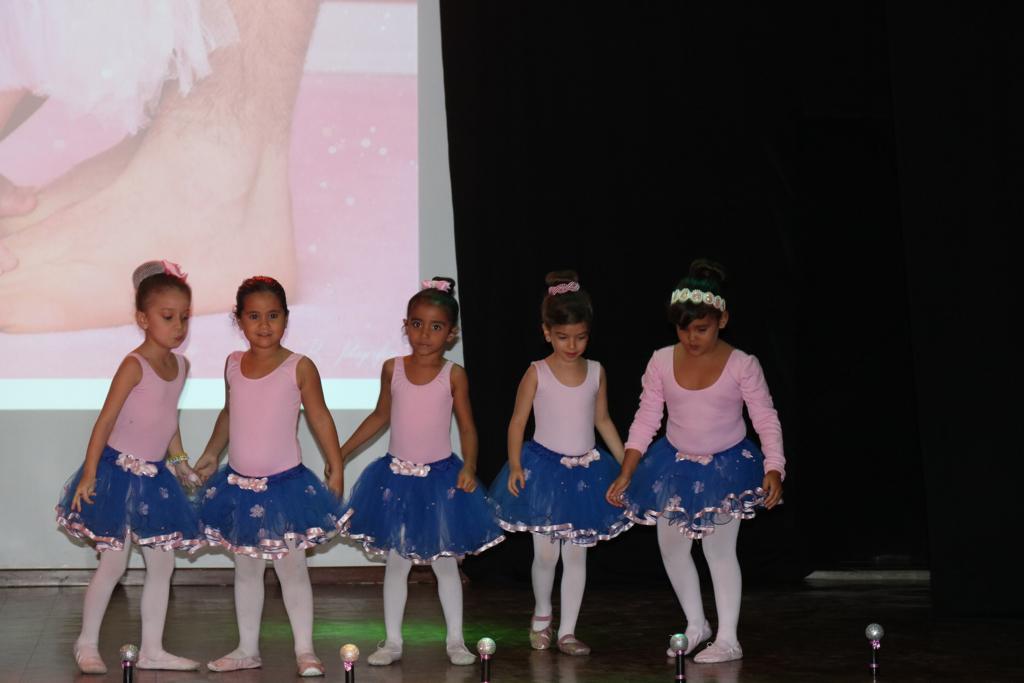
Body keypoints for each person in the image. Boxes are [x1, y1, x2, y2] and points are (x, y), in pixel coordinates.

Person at [606, 259, 785, 664]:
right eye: (683, 329)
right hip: (674, 465)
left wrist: (774, 467)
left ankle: (728, 638)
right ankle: (696, 623)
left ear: (723, 320)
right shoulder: (660, 361)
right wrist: (628, 469)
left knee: (719, 551)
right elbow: (646, 418)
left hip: (726, 469)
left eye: (701, 328)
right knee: (671, 548)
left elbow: (766, 419)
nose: (691, 337)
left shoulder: (742, 365)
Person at [339, 277, 504, 667]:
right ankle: (392, 642)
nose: (424, 334)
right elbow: (380, 416)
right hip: (395, 479)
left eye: (435, 326)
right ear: (405, 325)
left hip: (440, 481)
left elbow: (467, 427)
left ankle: (455, 641)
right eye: (417, 324)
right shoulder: (392, 369)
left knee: (445, 563)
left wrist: (470, 465)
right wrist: (341, 452)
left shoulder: (453, 374)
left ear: (451, 333)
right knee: (397, 563)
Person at [54, 259, 202, 674]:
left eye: (185, 317)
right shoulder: (134, 364)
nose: (178, 326)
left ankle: (153, 648)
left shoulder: (182, 366)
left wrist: (180, 461)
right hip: (117, 474)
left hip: (155, 478)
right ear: (142, 318)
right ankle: (86, 643)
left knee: (163, 564)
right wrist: (89, 474)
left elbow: (168, 418)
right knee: (114, 563)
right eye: (168, 317)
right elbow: (105, 421)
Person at [193, 276, 345, 677]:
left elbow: (319, 416)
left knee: (292, 570)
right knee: (246, 570)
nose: (264, 325)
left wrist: (336, 464)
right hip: (239, 488)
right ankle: (247, 648)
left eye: (273, 316)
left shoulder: (299, 366)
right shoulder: (232, 363)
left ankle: (305, 650)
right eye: (254, 316)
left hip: (285, 488)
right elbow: (229, 413)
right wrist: (211, 453)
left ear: (286, 318)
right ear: (239, 320)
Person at [489, 271, 630, 656]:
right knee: (547, 554)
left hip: (586, 474)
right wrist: (515, 464)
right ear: (547, 332)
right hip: (544, 472)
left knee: (577, 555)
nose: (572, 345)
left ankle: (568, 631)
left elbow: (603, 421)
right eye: (564, 336)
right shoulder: (537, 371)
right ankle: (542, 614)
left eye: (580, 337)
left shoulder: (597, 371)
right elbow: (517, 422)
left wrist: (627, 465)